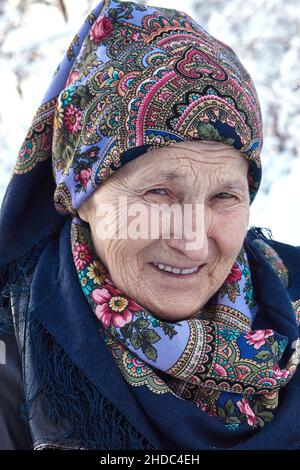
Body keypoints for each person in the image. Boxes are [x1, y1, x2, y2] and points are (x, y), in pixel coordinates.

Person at [0, 0, 299, 451]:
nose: (194, 243)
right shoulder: (12, 366)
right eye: (159, 193)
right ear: (80, 196)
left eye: (224, 197)